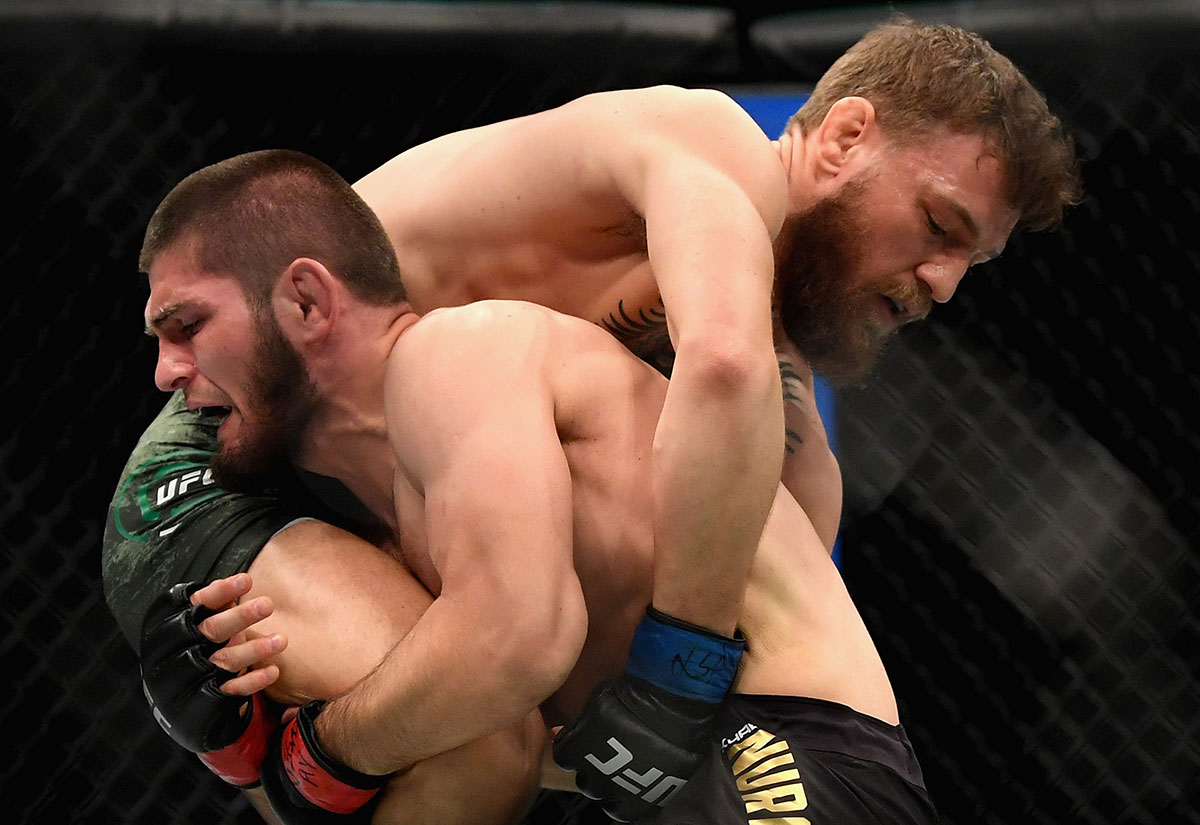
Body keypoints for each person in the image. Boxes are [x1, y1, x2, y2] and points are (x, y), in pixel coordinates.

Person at [106, 17, 1080, 822]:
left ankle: (267, 761)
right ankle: (274, 765)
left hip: (381, 517)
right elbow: (724, 364)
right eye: (941, 226)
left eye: (972, 264)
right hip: (230, 454)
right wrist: (679, 669)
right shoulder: (712, 152)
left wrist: (667, 705)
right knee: (473, 727)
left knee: (495, 732)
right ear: (845, 135)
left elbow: (616, 722)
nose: (943, 284)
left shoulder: (781, 434)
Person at [135, 148, 936, 823]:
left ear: (306, 300)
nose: (169, 371)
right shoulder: (416, 503)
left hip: (788, 751)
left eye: (188, 324)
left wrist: (312, 756)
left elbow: (520, 635)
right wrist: (238, 751)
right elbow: (515, 742)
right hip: (711, 780)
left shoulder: (457, 354)